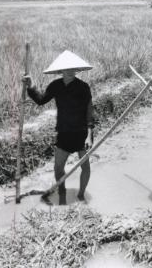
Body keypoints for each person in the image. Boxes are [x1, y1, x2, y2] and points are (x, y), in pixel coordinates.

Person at [24, 50, 94, 205]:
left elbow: (89, 110)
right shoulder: (55, 85)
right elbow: (41, 100)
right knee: (58, 167)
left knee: (86, 167)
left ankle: (81, 195)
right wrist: (31, 86)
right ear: (61, 70)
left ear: (76, 70)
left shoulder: (83, 87)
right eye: (66, 69)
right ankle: (62, 191)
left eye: (72, 69)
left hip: (81, 132)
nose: (70, 72)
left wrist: (89, 134)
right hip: (63, 132)